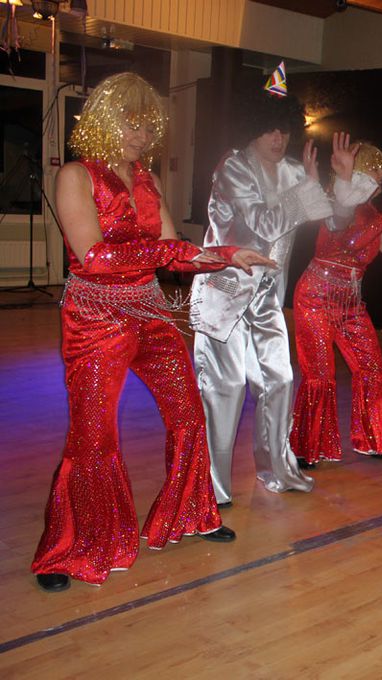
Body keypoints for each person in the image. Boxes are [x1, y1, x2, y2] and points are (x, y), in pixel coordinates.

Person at [32, 73, 272, 591]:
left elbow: (174, 245)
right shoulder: (76, 175)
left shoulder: (146, 179)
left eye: (147, 124)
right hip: (96, 319)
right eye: (129, 121)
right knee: (92, 437)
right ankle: (67, 550)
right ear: (102, 119)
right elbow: (94, 257)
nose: (139, 134)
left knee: (188, 414)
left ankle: (190, 514)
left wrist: (228, 254)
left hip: (151, 311)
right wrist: (168, 253)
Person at [190, 78, 367, 505]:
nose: (277, 138)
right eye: (270, 129)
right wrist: (308, 189)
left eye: (284, 129)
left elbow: (335, 225)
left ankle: (277, 470)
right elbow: (263, 225)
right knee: (226, 388)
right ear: (252, 128)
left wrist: (345, 183)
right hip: (225, 295)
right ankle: (211, 488)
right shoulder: (232, 166)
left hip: (266, 299)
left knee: (280, 380)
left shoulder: (292, 170)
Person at [289, 145, 382, 464]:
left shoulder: (373, 214)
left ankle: (377, 439)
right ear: (358, 171)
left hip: (351, 303)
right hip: (316, 296)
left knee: (371, 367)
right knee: (320, 374)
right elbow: (349, 241)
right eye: (377, 168)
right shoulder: (338, 205)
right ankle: (308, 448)